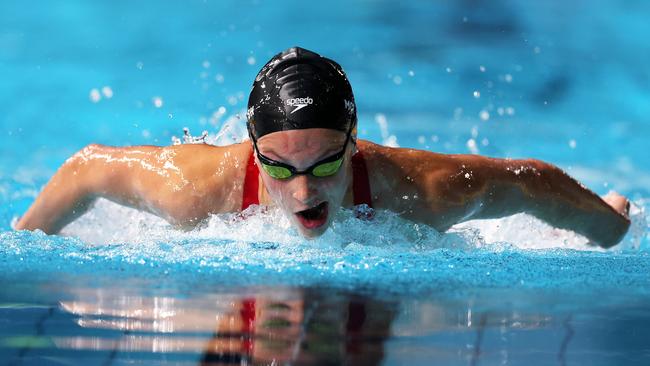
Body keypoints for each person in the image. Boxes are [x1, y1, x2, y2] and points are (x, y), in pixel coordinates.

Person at [14, 47, 630, 247]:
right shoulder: (196, 190)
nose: (304, 191)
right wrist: (16, 244)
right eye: (279, 168)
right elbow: (86, 167)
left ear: (354, 143)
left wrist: (611, 227)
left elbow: (528, 181)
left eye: (327, 162)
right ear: (253, 150)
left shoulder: (418, 191)